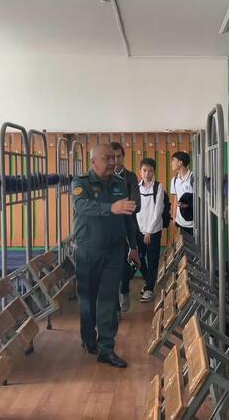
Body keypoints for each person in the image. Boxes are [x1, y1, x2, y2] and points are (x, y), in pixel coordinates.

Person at [72, 143, 140, 368]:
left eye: (114, 158)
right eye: (107, 158)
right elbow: (81, 206)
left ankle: (106, 348)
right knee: (87, 300)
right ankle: (88, 338)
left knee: (109, 301)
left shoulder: (119, 183)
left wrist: (133, 246)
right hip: (87, 251)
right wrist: (110, 208)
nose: (112, 162)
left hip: (114, 251)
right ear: (93, 162)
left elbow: (128, 217)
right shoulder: (80, 183)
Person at [110, 141, 140, 312]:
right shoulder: (104, 178)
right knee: (111, 269)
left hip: (128, 226)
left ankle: (124, 289)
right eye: (112, 157)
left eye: (119, 156)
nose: (115, 160)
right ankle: (115, 305)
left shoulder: (130, 177)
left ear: (123, 157)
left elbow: (137, 204)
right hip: (110, 230)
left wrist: (119, 208)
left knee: (126, 266)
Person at [135, 158, 166, 302]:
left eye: (150, 171)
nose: (147, 173)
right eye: (144, 170)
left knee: (152, 259)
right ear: (140, 171)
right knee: (139, 258)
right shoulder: (136, 187)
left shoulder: (158, 187)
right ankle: (149, 281)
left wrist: (149, 231)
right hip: (139, 230)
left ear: (154, 172)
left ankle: (149, 289)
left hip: (153, 231)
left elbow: (157, 211)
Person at [170, 151, 194, 235]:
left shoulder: (193, 178)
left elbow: (199, 200)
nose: (171, 163)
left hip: (194, 223)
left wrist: (187, 205)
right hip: (180, 221)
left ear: (180, 163)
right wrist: (174, 217)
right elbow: (175, 199)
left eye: (173, 160)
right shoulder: (174, 180)